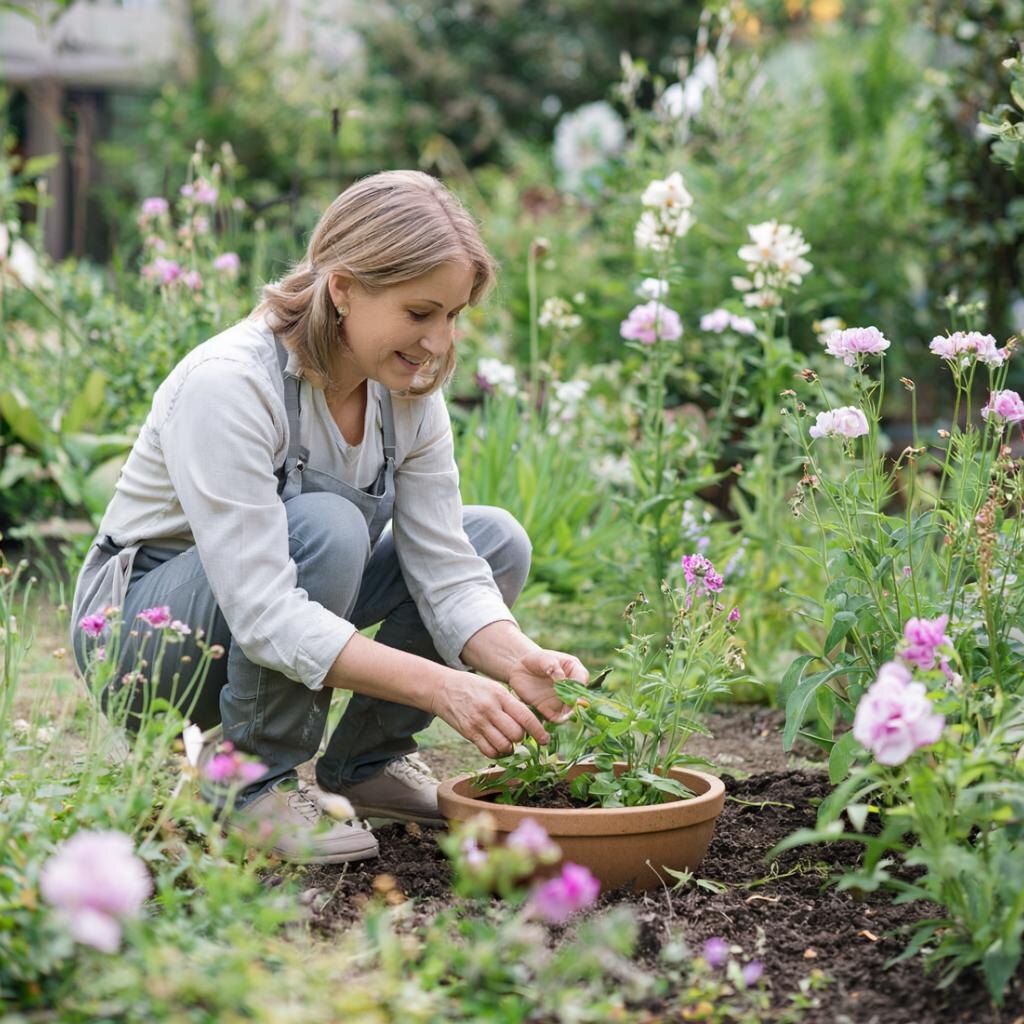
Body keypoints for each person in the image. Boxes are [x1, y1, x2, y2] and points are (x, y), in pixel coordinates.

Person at [70, 170, 589, 865]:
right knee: (329, 527)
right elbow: (263, 611)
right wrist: (445, 687)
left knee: (491, 539)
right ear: (342, 288)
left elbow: (445, 565)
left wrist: (515, 658)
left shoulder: (404, 391)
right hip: (142, 641)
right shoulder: (230, 384)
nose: (438, 342)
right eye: (419, 313)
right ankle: (251, 784)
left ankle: (367, 768)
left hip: (261, 602)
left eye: (453, 316)